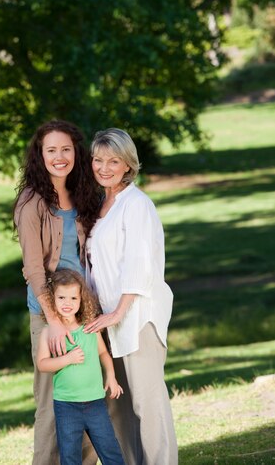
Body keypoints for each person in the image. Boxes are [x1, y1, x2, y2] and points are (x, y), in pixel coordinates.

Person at [84, 128, 178, 465]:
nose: (104, 167)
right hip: (109, 320)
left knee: (147, 405)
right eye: (98, 160)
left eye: (113, 161)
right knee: (119, 406)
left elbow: (139, 265)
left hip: (137, 317)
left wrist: (117, 312)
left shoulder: (137, 204)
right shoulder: (102, 204)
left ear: (128, 165)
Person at [13, 120, 100, 465]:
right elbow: (33, 269)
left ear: (76, 153)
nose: (59, 157)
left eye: (66, 149)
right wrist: (54, 321)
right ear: (40, 155)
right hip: (50, 315)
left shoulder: (83, 193)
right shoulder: (31, 203)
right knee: (53, 404)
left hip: (85, 311)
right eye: (51, 150)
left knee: (92, 399)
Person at [37, 269, 126, 465]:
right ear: (52, 300)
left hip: (95, 404)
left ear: (81, 300)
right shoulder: (49, 333)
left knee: (110, 452)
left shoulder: (89, 327)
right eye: (61, 297)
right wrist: (67, 359)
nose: (67, 303)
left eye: (73, 298)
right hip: (66, 406)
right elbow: (42, 364)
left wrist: (110, 376)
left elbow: (103, 353)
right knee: (70, 457)